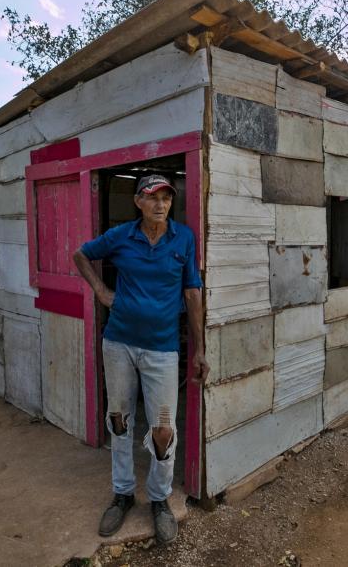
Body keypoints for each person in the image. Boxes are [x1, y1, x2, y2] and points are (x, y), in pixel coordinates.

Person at [73, 173, 209, 545]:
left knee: (163, 429)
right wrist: (100, 290)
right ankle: (122, 493)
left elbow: (192, 292)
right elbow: (80, 254)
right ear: (138, 202)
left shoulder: (183, 238)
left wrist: (199, 348)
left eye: (166, 197)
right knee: (119, 420)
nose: (160, 204)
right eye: (152, 197)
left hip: (163, 349)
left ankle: (160, 498)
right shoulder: (120, 236)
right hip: (118, 343)